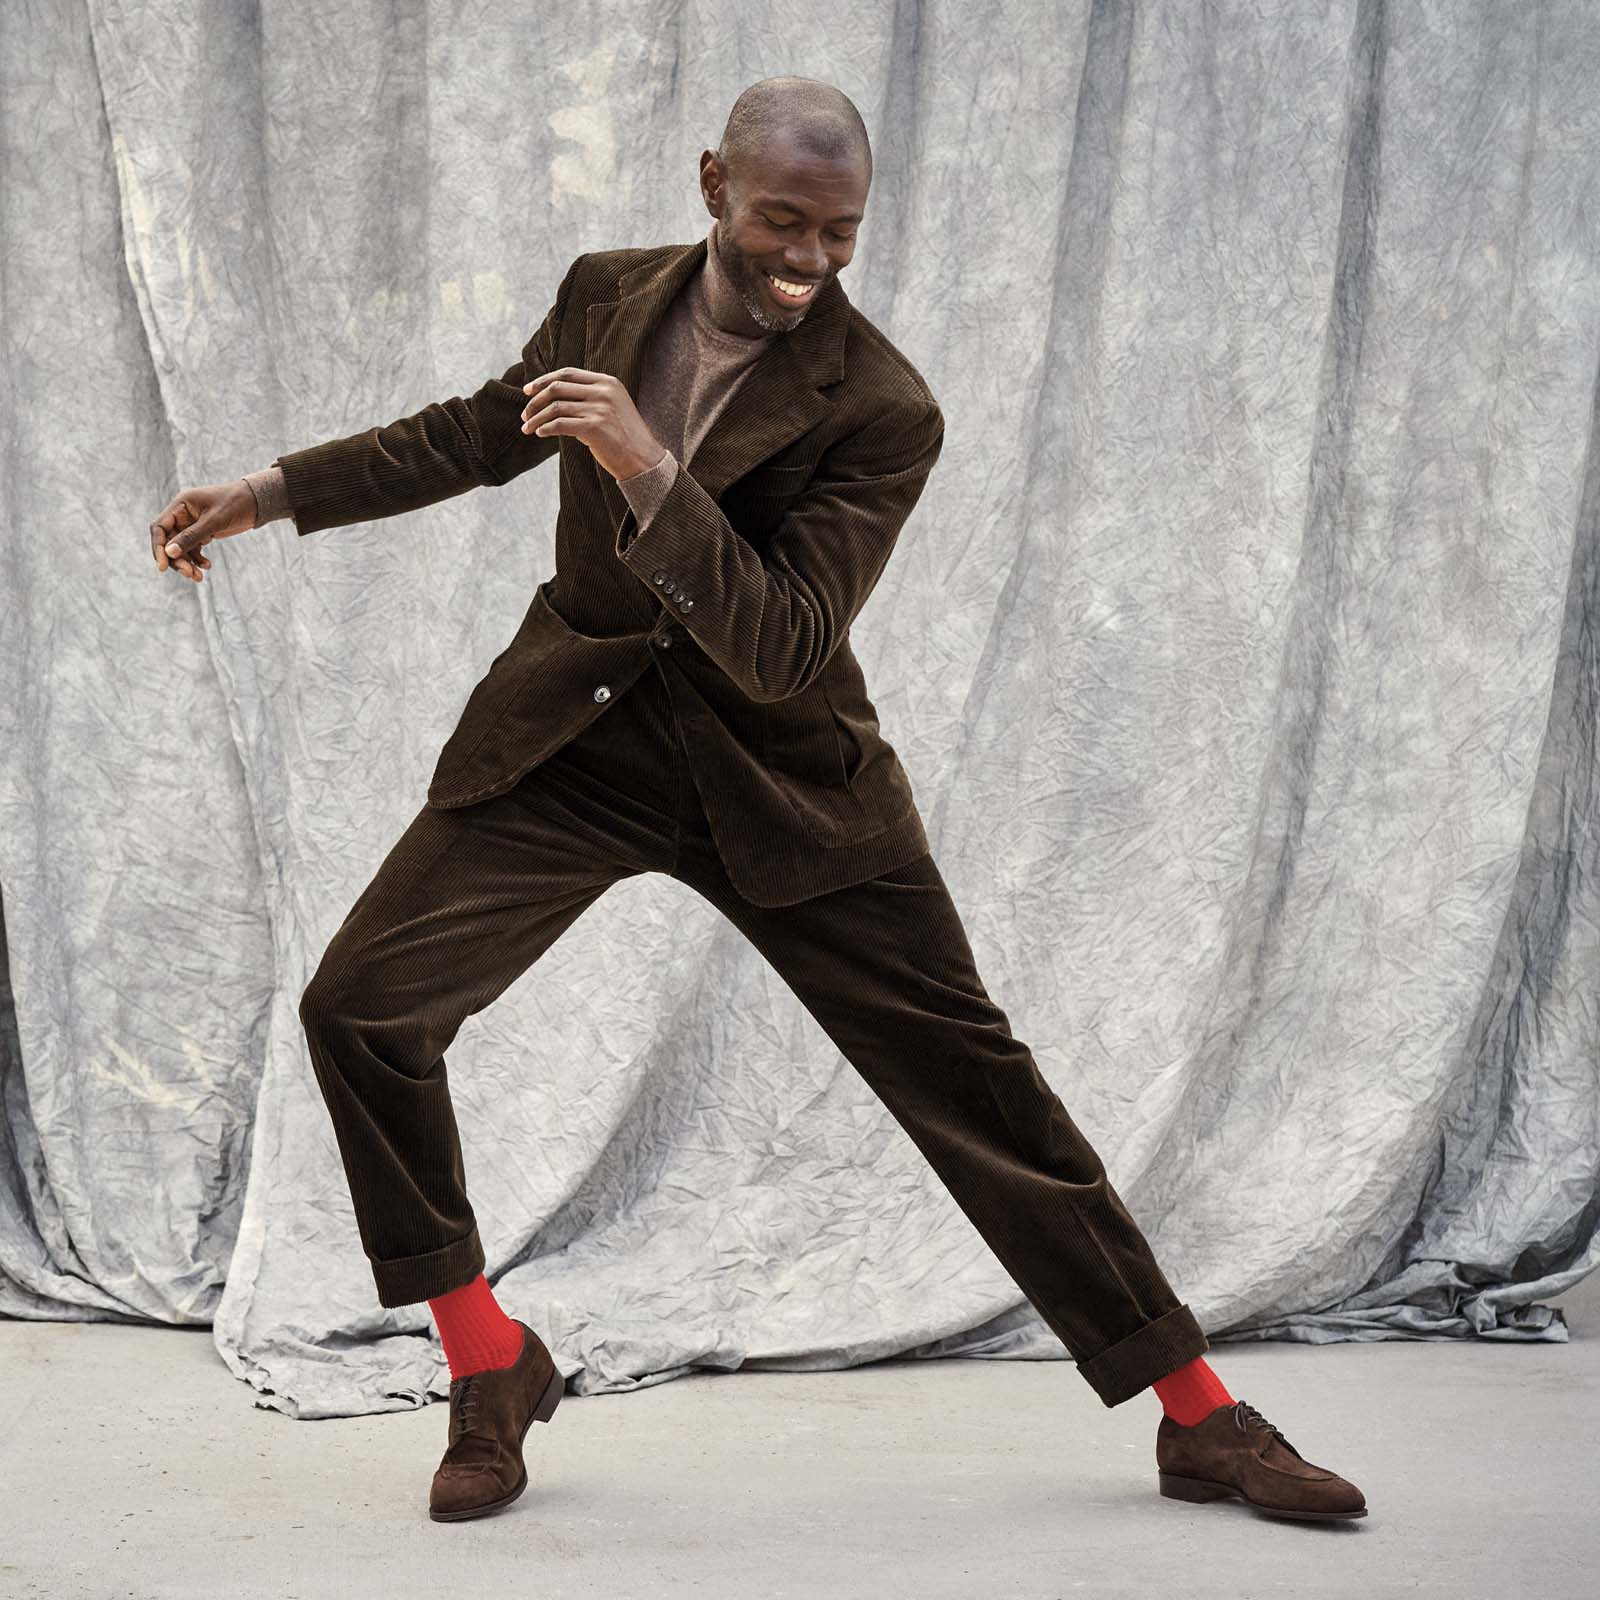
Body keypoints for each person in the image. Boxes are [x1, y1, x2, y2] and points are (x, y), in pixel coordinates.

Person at [149, 75, 1368, 1527]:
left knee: (980, 1094)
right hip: (575, 747)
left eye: (839, 234)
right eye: (781, 220)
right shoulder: (607, 294)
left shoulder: (887, 409)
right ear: (713, 179)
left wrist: (643, 464)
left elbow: (785, 639)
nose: (807, 258)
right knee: (361, 1010)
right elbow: (479, 431)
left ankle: (1200, 1417)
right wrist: (273, 490)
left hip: (784, 783)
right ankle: (491, 1364)